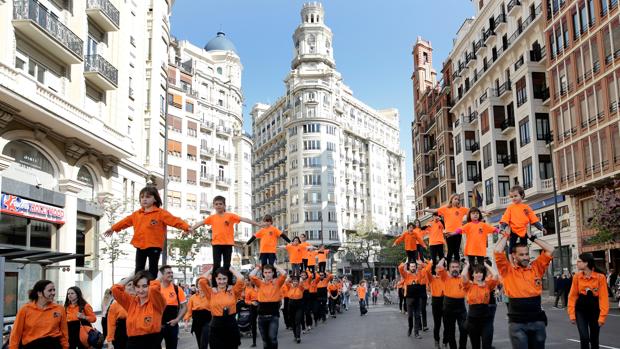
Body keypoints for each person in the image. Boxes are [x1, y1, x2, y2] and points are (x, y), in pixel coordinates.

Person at [104, 186, 191, 278]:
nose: (144, 199)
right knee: (139, 268)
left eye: (148, 197)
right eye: (142, 197)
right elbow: (125, 222)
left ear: (155, 199)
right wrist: (113, 228)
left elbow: (174, 220)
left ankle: (151, 287)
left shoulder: (160, 213)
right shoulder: (136, 214)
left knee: (153, 269)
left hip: (154, 245)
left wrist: (186, 227)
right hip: (140, 245)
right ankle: (138, 287)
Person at [494, 226, 555, 349]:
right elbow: (497, 252)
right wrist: (506, 235)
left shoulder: (536, 267)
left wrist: (532, 237)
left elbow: (551, 249)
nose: (526, 257)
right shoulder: (507, 271)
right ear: (514, 256)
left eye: (527, 254)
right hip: (517, 324)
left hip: (538, 322)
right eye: (521, 255)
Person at [192, 196, 264, 285]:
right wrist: (191, 228)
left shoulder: (230, 216)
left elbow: (244, 219)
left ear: (224, 205)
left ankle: (229, 284)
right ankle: (214, 285)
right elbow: (200, 223)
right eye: (216, 204)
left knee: (227, 265)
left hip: (228, 244)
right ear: (214, 206)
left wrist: (257, 224)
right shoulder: (212, 217)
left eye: (220, 204)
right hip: (216, 244)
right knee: (216, 265)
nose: (218, 206)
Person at [112, 271, 167, 349]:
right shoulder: (131, 302)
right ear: (134, 287)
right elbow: (115, 289)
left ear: (149, 286)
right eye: (138, 286)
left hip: (151, 344)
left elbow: (154, 289)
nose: (141, 290)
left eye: (144, 286)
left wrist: (158, 279)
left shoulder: (157, 303)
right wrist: (130, 277)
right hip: (132, 344)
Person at [9, 280, 69, 349]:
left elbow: (64, 333)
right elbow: (16, 333)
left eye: (54, 290)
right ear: (39, 293)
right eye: (50, 290)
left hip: (53, 345)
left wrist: (65, 347)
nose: (53, 293)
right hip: (31, 345)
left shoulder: (60, 309)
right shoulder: (25, 309)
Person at [568, 253, 609, 349]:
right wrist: (572, 314)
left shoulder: (600, 277)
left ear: (586, 263)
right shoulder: (576, 277)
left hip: (595, 311)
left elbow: (604, 298)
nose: (577, 263)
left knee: (594, 339)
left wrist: (602, 317)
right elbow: (572, 296)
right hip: (581, 311)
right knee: (584, 338)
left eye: (579, 261)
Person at [198, 266, 245, 349]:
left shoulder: (233, 290)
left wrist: (230, 268)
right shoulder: (211, 292)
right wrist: (210, 270)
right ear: (215, 279)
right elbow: (201, 281)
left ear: (227, 279)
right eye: (219, 279)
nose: (222, 281)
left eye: (224, 279)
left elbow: (241, 278)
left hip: (231, 326)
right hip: (216, 328)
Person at [461, 261, 498, 349]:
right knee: (475, 346)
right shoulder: (469, 285)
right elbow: (463, 275)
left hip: (486, 320)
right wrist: (468, 265)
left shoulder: (487, 284)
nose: (479, 274)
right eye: (476, 272)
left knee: (487, 346)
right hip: (472, 321)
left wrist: (486, 265)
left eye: (481, 272)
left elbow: (495, 275)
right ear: (473, 274)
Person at [249, 264, 287, 349]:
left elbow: (284, 274)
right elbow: (251, 275)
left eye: (269, 272)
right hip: (262, 317)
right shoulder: (260, 283)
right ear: (263, 273)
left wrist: (275, 265)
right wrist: (258, 267)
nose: (267, 274)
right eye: (265, 272)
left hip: (273, 317)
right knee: (265, 341)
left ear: (273, 273)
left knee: (272, 338)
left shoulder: (277, 283)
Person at [499, 185, 547, 252]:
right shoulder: (510, 208)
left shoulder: (526, 207)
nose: (513, 198)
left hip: (524, 230)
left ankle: (524, 260)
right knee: (511, 247)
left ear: (522, 195)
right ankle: (511, 261)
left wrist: (541, 227)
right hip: (513, 230)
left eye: (515, 196)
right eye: (511, 197)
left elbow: (533, 219)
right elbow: (505, 218)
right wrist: (502, 228)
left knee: (524, 247)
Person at [425, 194, 469, 264]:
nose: (457, 200)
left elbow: (472, 211)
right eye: (455, 199)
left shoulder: (461, 209)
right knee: (450, 251)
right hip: (449, 233)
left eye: (458, 199)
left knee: (456, 251)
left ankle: (457, 269)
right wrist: (425, 210)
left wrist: (484, 212)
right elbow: (435, 210)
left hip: (458, 232)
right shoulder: (445, 208)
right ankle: (448, 268)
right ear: (451, 199)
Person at [436, 258, 468, 349]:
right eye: (453, 267)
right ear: (449, 269)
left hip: (461, 307)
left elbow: (467, 270)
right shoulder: (445, 277)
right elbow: (439, 266)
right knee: (450, 332)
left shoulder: (463, 277)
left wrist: (466, 263)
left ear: (460, 268)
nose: (455, 269)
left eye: (457, 267)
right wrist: (444, 257)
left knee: (464, 330)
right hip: (448, 307)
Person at [158, 265, 187, 349]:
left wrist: (177, 320)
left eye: (171, 273)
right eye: (168, 273)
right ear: (162, 275)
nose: (171, 274)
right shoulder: (156, 288)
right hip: (157, 326)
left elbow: (184, 307)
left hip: (172, 326)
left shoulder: (177, 289)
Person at [399, 260, 428, 339]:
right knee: (410, 316)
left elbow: (427, 269)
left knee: (417, 316)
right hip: (409, 299)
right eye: (411, 266)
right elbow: (400, 268)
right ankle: (410, 328)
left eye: (414, 266)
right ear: (409, 267)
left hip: (417, 299)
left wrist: (421, 263)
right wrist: (405, 262)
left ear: (416, 267)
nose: (413, 268)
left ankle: (416, 333)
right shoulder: (406, 275)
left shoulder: (419, 274)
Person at [424, 261, 447, 349]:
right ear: (434, 269)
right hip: (436, 301)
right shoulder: (432, 278)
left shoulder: (446, 278)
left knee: (446, 324)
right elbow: (426, 271)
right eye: (437, 268)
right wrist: (431, 262)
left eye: (440, 267)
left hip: (445, 301)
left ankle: (445, 342)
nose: (438, 269)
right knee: (437, 324)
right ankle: (436, 341)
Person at [184, 281, 211, 349]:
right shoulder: (193, 297)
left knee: (203, 344)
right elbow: (189, 311)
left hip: (207, 321)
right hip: (196, 322)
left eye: (203, 286)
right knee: (200, 343)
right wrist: (186, 323)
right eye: (199, 286)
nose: (201, 288)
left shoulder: (210, 296)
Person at [106, 282, 132, 349]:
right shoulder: (114, 305)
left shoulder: (139, 302)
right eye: (129, 285)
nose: (132, 287)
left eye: (134, 284)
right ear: (123, 288)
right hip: (121, 335)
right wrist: (109, 341)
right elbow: (111, 324)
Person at [285, 275, 305, 343]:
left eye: (296, 281)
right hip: (291, 304)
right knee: (292, 321)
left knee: (297, 321)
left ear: (298, 282)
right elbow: (286, 281)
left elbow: (302, 282)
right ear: (292, 282)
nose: (295, 282)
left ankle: (298, 337)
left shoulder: (300, 287)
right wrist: (290, 277)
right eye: (294, 281)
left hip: (299, 305)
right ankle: (295, 335)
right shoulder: (290, 286)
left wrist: (300, 278)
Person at [244, 277, 259, 348]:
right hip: (253, 306)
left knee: (264, 321)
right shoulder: (246, 289)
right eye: (245, 281)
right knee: (253, 323)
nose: (246, 282)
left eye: (247, 281)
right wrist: (251, 303)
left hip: (261, 304)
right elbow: (246, 301)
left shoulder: (259, 286)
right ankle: (254, 342)